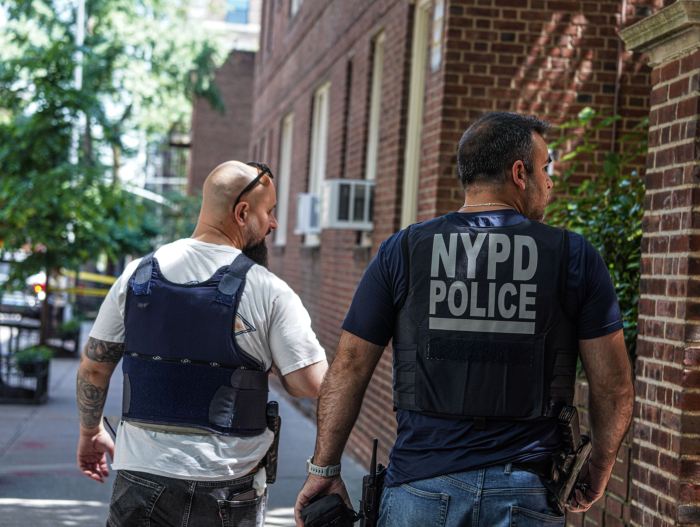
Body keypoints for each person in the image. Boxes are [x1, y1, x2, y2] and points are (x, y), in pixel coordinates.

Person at [295, 112, 634, 526]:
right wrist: (599, 467)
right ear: (519, 173)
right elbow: (613, 385)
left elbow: (348, 365)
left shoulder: (402, 251)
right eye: (545, 167)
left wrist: (324, 470)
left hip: (418, 488)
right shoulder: (573, 256)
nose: (550, 181)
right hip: (524, 492)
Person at [76, 160, 328, 527]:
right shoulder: (268, 290)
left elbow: (95, 366)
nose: (273, 224)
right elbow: (310, 383)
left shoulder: (137, 274)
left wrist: (90, 432)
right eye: (269, 212)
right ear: (243, 213)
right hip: (228, 488)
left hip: (142, 481)